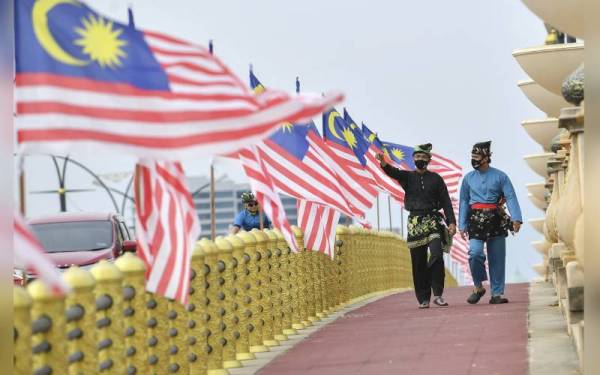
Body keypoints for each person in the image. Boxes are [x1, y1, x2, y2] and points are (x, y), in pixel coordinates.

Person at [377, 144, 456, 308]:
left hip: (433, 221)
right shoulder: (407, 177)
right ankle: (423, 298)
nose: (420, 160)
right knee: (418, 262)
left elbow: (447, 202)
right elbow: (392, 172)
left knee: (436, 254)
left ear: (429, 159)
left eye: (423, 157)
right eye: (417, 157)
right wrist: (383, 162)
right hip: (415, 223)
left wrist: (451, 222)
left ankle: (438, 294)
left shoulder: (436, 179)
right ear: (413, 159)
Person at [458, 141, 522, 305]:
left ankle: (497, 294)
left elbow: (511, 196)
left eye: (477, 157)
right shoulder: (468, 179)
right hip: (475, 220)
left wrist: (516, 218)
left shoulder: (501, 176)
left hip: (496, 219)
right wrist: (462, 224)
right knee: (475, 253)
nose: (474, 159)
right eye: (472, 156)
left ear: (486, 158)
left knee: (497, 258)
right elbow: (464, 201)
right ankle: (478, 287)